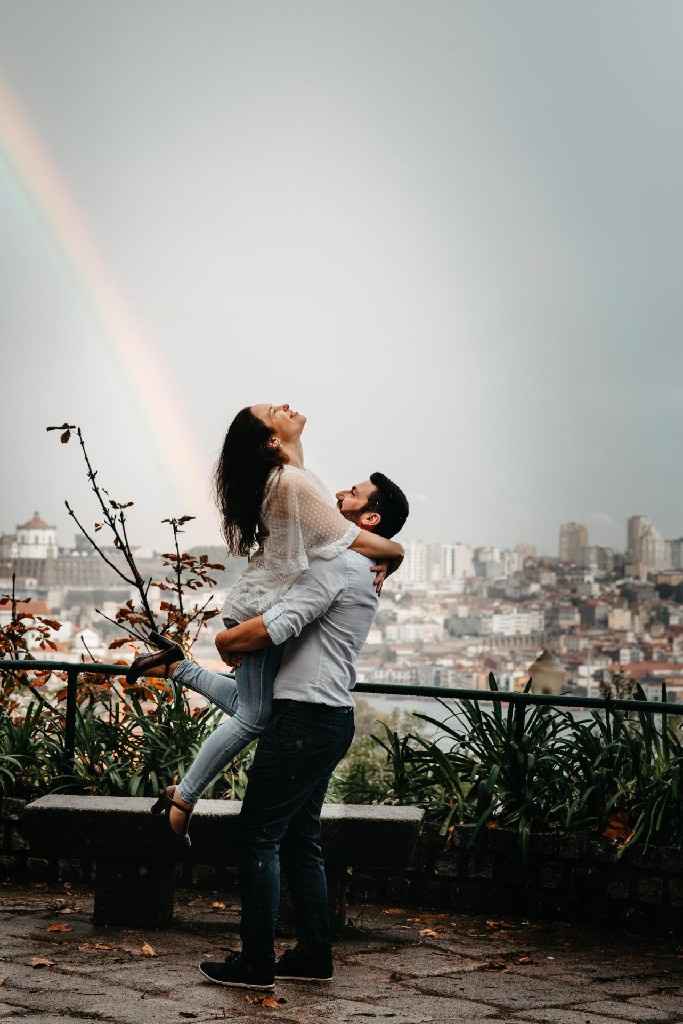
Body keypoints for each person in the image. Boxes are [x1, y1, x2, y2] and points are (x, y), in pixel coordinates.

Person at [128, 405, 404, 842]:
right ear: (272, 440)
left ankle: (176, 668)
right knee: (255, 716)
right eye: (275, 411)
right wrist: (398, 551)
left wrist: (388, 552)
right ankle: (184, 797)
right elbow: (350, 539)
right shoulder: (292, 481)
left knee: (256, 705)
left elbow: (344, 539)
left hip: (262, 602)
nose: (287, 407)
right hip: (261, 607)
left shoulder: (295, 478)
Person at [194, 471, 410, 990]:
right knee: (299, 839)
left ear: (368, 518)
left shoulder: (338, 565)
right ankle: (314, 953)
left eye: (352, 494)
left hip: (303, 720)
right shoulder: (361, 566)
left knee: (258, 836)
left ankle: (256, 962)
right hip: (330, 718)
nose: (337, 494)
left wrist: (227, 643)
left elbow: (280, 624)